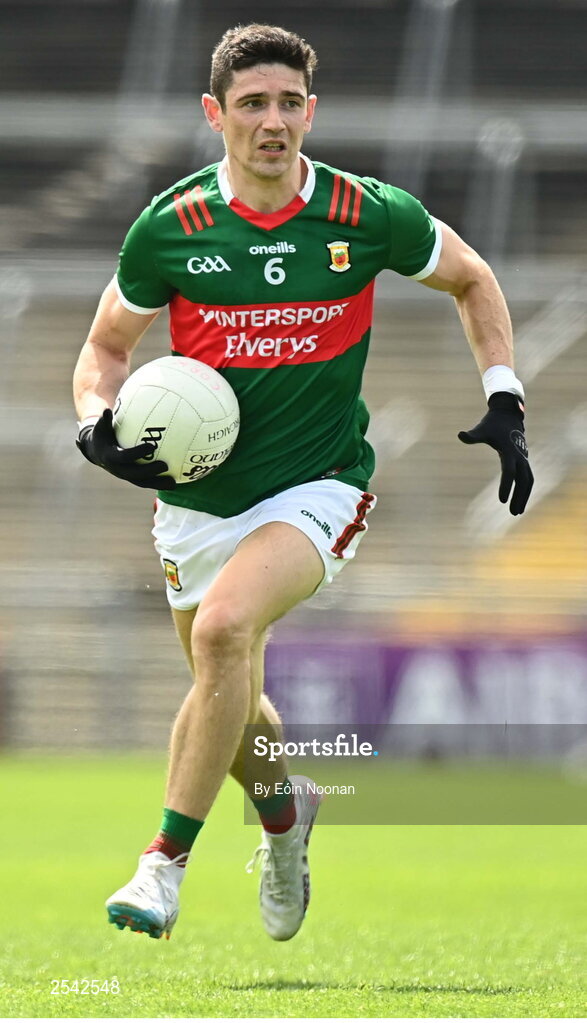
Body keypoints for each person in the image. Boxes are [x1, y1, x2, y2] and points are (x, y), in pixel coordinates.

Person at [73, 23, 534, 943]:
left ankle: (162, 865)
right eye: (252, 104)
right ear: (215, 115)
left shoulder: (364, 213)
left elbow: (471, 277)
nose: (272, 121)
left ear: (310, 112)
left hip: (317, 486)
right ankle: (286, 818)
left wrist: (504, 396)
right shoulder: (171, 227)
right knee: (229, 689)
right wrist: (95, 423)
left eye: (288, 103)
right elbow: (104, 349)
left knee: (224, 630)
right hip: (196, 501)